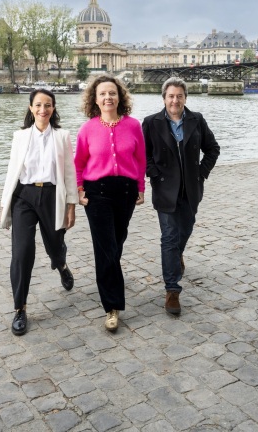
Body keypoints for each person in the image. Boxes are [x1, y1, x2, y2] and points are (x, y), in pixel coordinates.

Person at [0, 89, 78, 336]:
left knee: (54, 246)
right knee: (22, 252)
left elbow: (69, 173)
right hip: (24, 197)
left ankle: (61, 264)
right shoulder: (20, 136)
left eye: (48, 105)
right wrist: (5, 202)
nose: (43, 110)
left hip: (53, 196)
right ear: (31, 107)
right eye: (38, 105)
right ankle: (20, 309)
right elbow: (12, 171)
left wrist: (71, 205)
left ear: (53, 109)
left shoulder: (62, 136)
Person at [142, 77, 220, 315]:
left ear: (185, 98)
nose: (175, 100)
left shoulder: (196, 120)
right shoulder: (150, 123)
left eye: (179, 96)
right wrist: (154, 175)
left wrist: (201, 174)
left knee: (184, 231)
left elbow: (212, 149)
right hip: (165, 190)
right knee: (169, 236)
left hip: (191, 189)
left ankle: (177, 257)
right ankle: (172, 290)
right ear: (164, 98)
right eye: (171, 96)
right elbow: (142, 156)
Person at [74, 75, 146, 332]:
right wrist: (80, 191)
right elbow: (79, 164)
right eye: (103, 94)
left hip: (125, 192)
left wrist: (140, 188)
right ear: (95, 99)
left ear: (120, 97)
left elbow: (140, 159)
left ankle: (110, 280)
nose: (108, 98)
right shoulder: (87, 129)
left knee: (115, 245)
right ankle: (112, 307)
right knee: (105, 249)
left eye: (112, 93)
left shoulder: (134, 126)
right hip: (98, 193)